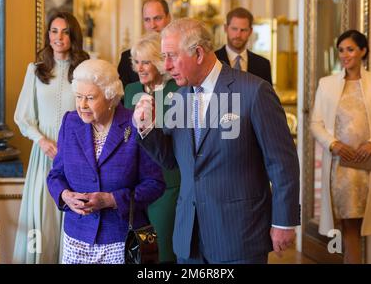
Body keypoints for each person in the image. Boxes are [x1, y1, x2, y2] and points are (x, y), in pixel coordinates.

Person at [133, 18, 300, 264]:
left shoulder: (254, 92)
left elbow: (282, 163)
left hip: (239, 236)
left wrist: (283, 221)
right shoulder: (181, 96)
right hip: (189, 238)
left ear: (198, 53)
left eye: (171, 56)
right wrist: (146, 129)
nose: (166, 66)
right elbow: (171, 160)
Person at [46, 59, 165, 264]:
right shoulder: (70, 122)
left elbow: (155, 184)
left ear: (110, 97)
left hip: (121, 240)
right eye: (79, 97)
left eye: (90, 98)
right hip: (76, 238)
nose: (82, 105)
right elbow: (56, 175)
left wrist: (112, 200)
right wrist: (65, 195)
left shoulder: (135, 123)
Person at [310, 30, 371, 263]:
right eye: (341, 50)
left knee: (360, 225)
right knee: (348, 224)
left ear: (363, 51)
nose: (344, 55)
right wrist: (334, 144)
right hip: (340, 169)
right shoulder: (326, 85)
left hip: (368, 167)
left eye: (350, 49)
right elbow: (316, 124)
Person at [13, 11, 90, 264]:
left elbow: (91, 113)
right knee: (43, 220)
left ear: (73, 36)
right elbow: (22, 116)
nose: (59, 37)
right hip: (43, 156)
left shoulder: (84, 70)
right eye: (54, 31)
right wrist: (41, 141)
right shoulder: (35, 70)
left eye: (65, 31)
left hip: (76, 157)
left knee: (71, 218)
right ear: (48, 35)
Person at [124, 32, 180, 263]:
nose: (140, 68)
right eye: (137, 62)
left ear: (159, 61)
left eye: (146, 62)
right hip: (135, 184)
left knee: (164, 250)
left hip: (168, 182)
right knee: (139, 249)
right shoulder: (130, 90)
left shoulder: (177, 90)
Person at [118, 0, 172, 88]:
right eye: (147, 20)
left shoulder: (180, 55)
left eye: (157, 18)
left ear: (168, 18)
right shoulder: (127, 58)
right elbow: (124, 99)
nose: (152, 25)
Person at [215, 7, 272, 84]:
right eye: (234, 29)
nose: (238, 35)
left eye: (243, 30)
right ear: (226, 28)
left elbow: (266, 95)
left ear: (250, 31)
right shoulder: (213, 60)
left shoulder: (263, 64)